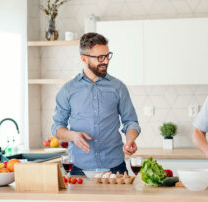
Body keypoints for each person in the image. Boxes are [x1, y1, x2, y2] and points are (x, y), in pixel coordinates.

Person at [51, 32, 141, 175]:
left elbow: (131, 121)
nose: (105, 61)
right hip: (78, 168)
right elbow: (57, 127)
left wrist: (130, 139)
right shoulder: (68, 90)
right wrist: (72, 136)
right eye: (100, 57)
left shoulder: (118, 87)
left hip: (115, 168)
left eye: (107, 55)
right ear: (84, 59)